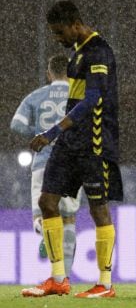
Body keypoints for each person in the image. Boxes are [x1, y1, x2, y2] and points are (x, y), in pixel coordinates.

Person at [22, 0, 122, 298]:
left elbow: (92, 100)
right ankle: (58, 279)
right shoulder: (77, 52)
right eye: (54, 34)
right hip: (70, 141)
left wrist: (52, 132)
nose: (58, 38)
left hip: (94, 140)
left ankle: (105, 284)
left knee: (98, 209)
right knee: (47, 201)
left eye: (60, 32)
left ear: (76, 25)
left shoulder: (98, 50)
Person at [11, 55, 82, 277]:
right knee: (69, 217)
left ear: (48, 74)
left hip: (44, 163)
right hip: (72, 163)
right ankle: (64, 277)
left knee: (41, 215)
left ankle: (45, 234)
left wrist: (41, 133)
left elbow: (16, 124)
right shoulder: (79, 97)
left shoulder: (36, 96)